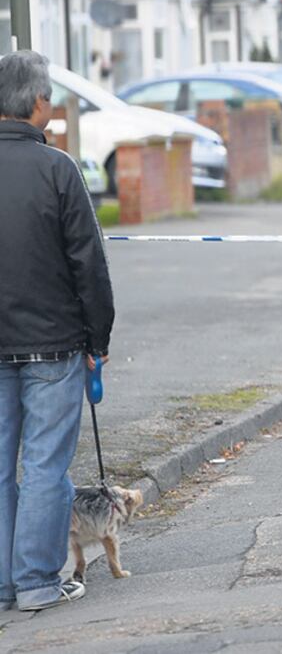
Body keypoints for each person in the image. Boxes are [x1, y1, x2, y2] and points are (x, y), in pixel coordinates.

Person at [0, 50, 115, 611]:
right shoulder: (58, 169)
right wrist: (99, 339)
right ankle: (37, 583)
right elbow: (88, 263)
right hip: (52, 344)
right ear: (40, 103)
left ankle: (2, 585)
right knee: (45, 465)